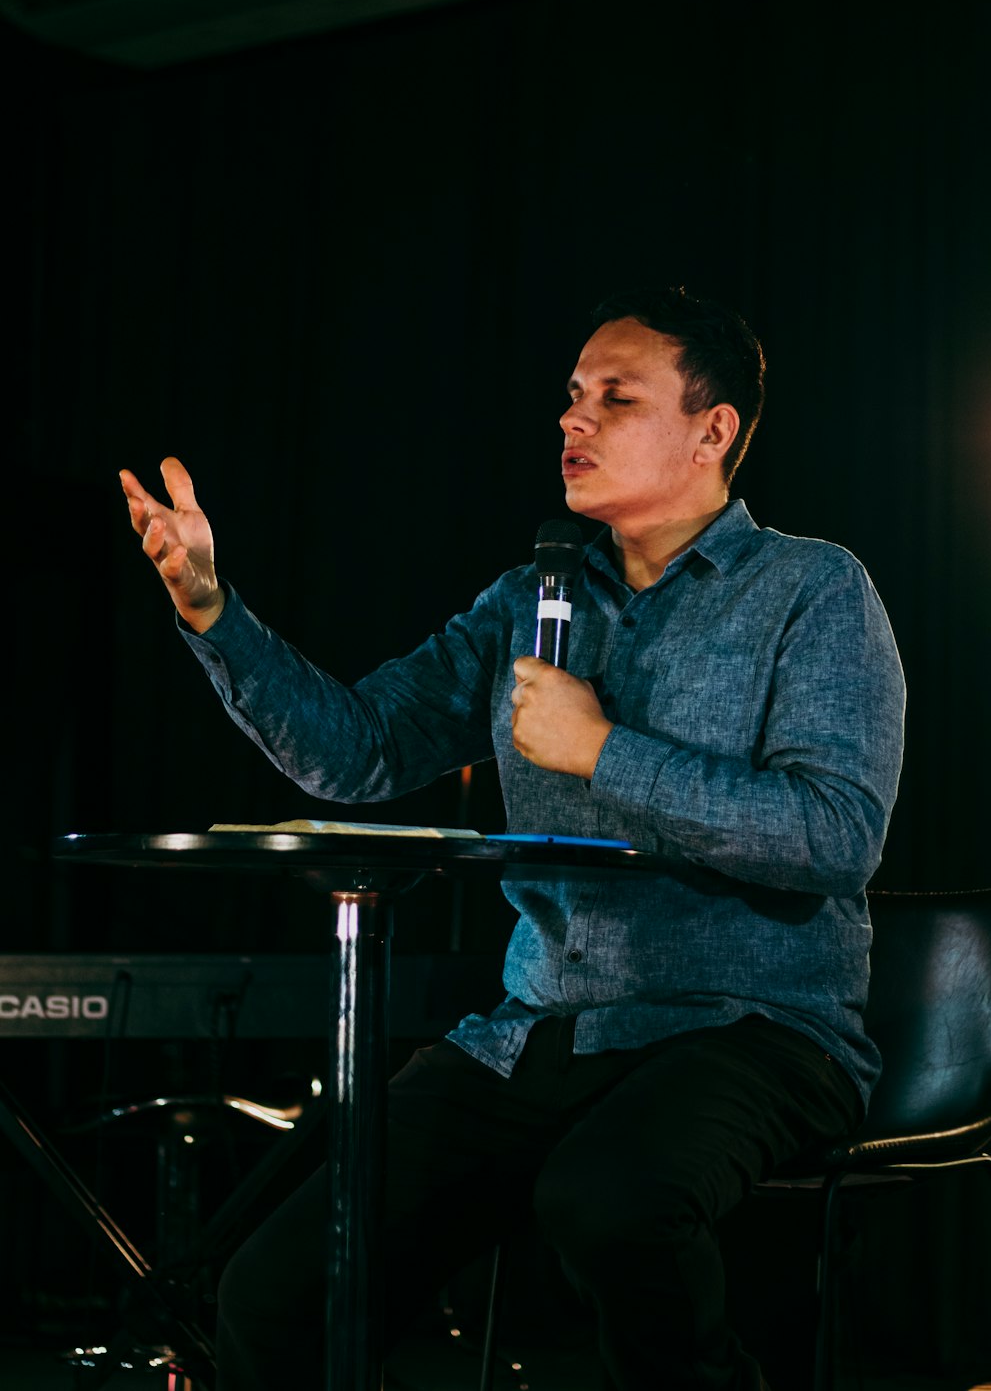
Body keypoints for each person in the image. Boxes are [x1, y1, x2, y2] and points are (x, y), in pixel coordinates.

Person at [120, 286, 906, 1391]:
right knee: (276, 1291)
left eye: (614, 398)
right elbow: (357, 753)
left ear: (711, 429)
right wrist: (212, 610)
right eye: (570, 397)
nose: (570, 421)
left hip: (751, 1027)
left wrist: (602, 752)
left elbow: (833, 837)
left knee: (606, 1201)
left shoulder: (811, 589)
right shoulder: (526, 599)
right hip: (537, 1030)